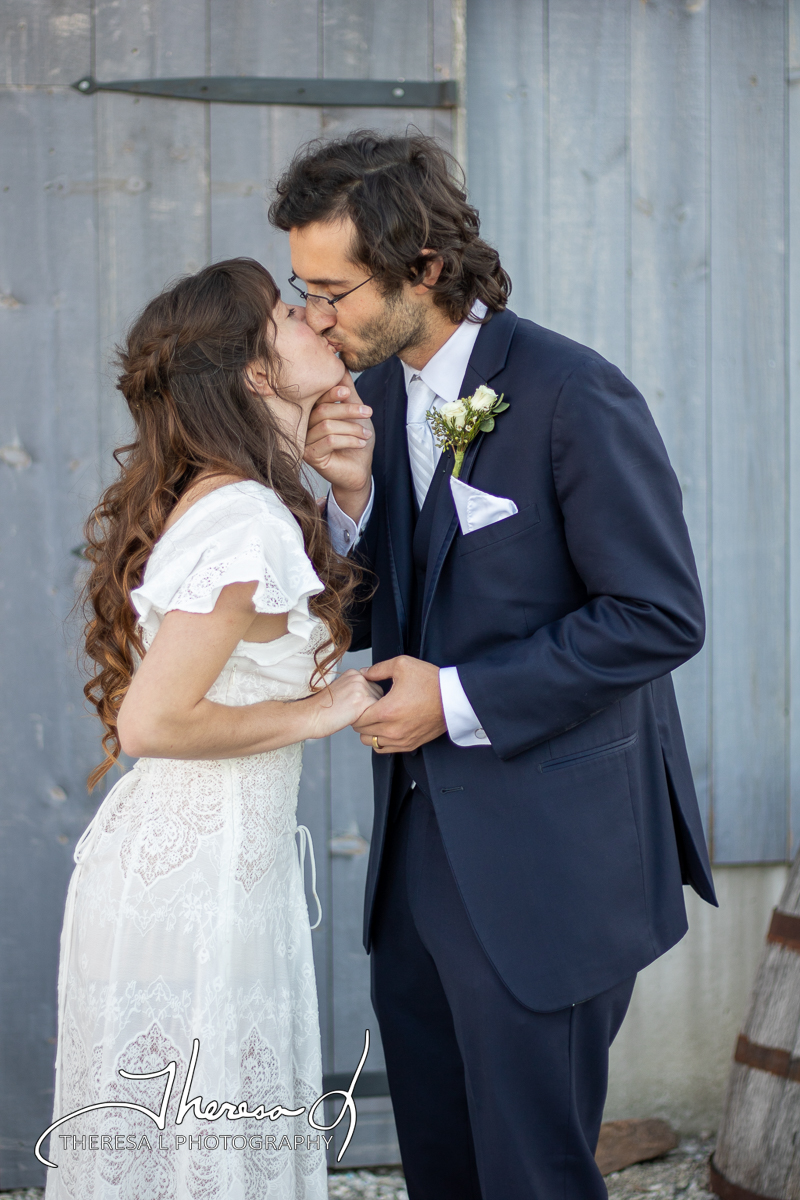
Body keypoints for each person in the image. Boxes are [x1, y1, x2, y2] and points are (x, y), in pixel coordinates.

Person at [269, 131, 718, 1200]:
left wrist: (458, 697)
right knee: (443, 1165)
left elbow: (657, 616)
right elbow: (391, 601)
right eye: (303, 289)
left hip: (548, 860)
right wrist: (350, 503)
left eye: (333, 290)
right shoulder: (375, 403)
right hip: (417, 857)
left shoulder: (572, 391)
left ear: (423, 265)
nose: (314, 317)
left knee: (531, 1173)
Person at [44, 258, 381, 1200]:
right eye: (288, 314)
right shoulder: (243, 518)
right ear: (256, 374)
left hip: (219, 869)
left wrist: (348, 491)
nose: (316, 317)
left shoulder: (242, 500)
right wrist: (329, 706)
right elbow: (153, 720)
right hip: (193, 883)